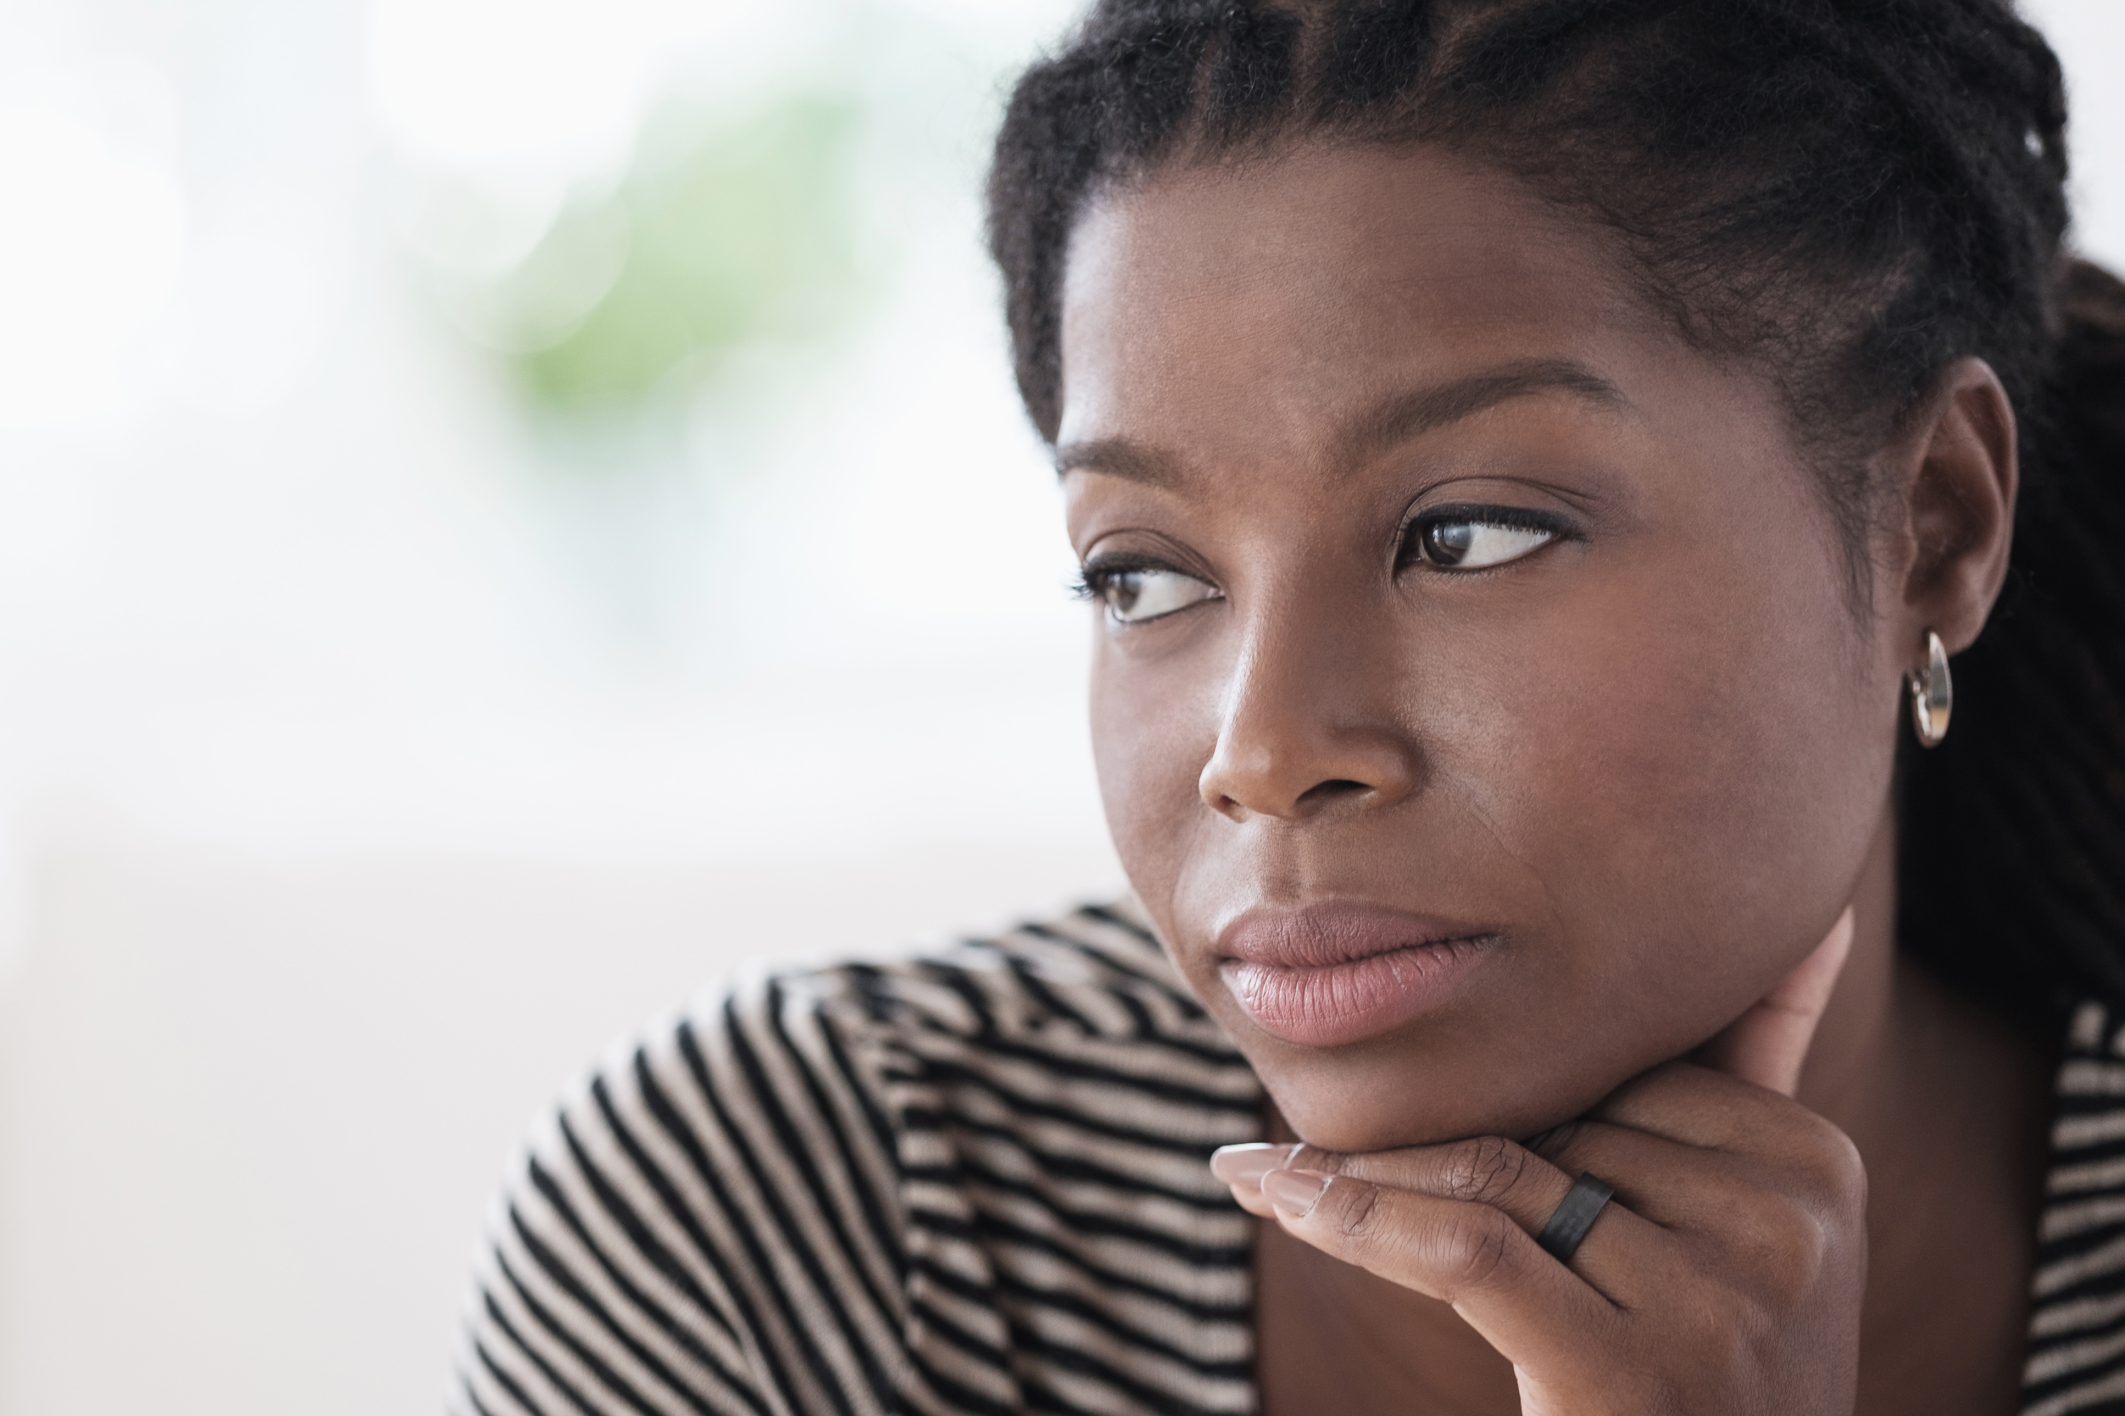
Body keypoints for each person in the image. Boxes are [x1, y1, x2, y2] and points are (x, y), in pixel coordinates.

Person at [450, 2, 2125, 1413]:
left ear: (1930, 526)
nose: (1259, 757)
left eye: (1466, 536)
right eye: (1140, 576)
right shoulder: (797, 1229)